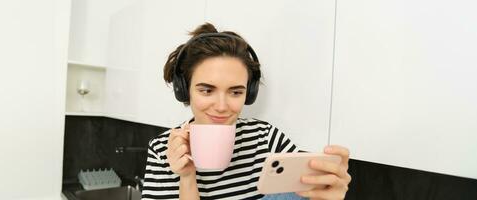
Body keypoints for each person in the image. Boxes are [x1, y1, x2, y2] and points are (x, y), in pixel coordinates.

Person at [141, 23, 351, 200]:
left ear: (249, 93)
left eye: (235, 92)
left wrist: (327, 190)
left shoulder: (265, 137)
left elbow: (308, 190)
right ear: (184, 89)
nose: (222, 106)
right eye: (206, 90)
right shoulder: (163, 150)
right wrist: (187, 178)